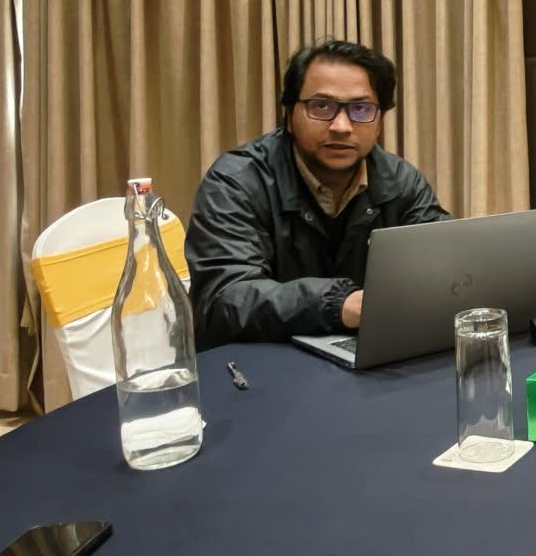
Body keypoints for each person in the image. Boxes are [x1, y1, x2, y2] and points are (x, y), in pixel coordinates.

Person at [187, 39, 450, 346]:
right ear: (289, 115)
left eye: (361, 109)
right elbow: (224, 299)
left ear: (379, 121)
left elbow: (446, 267)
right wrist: (338, 304)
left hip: (362, 357)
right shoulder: (237, 181)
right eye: (322, 106)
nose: (341, 126)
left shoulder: (400, 182)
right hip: (257, 361)